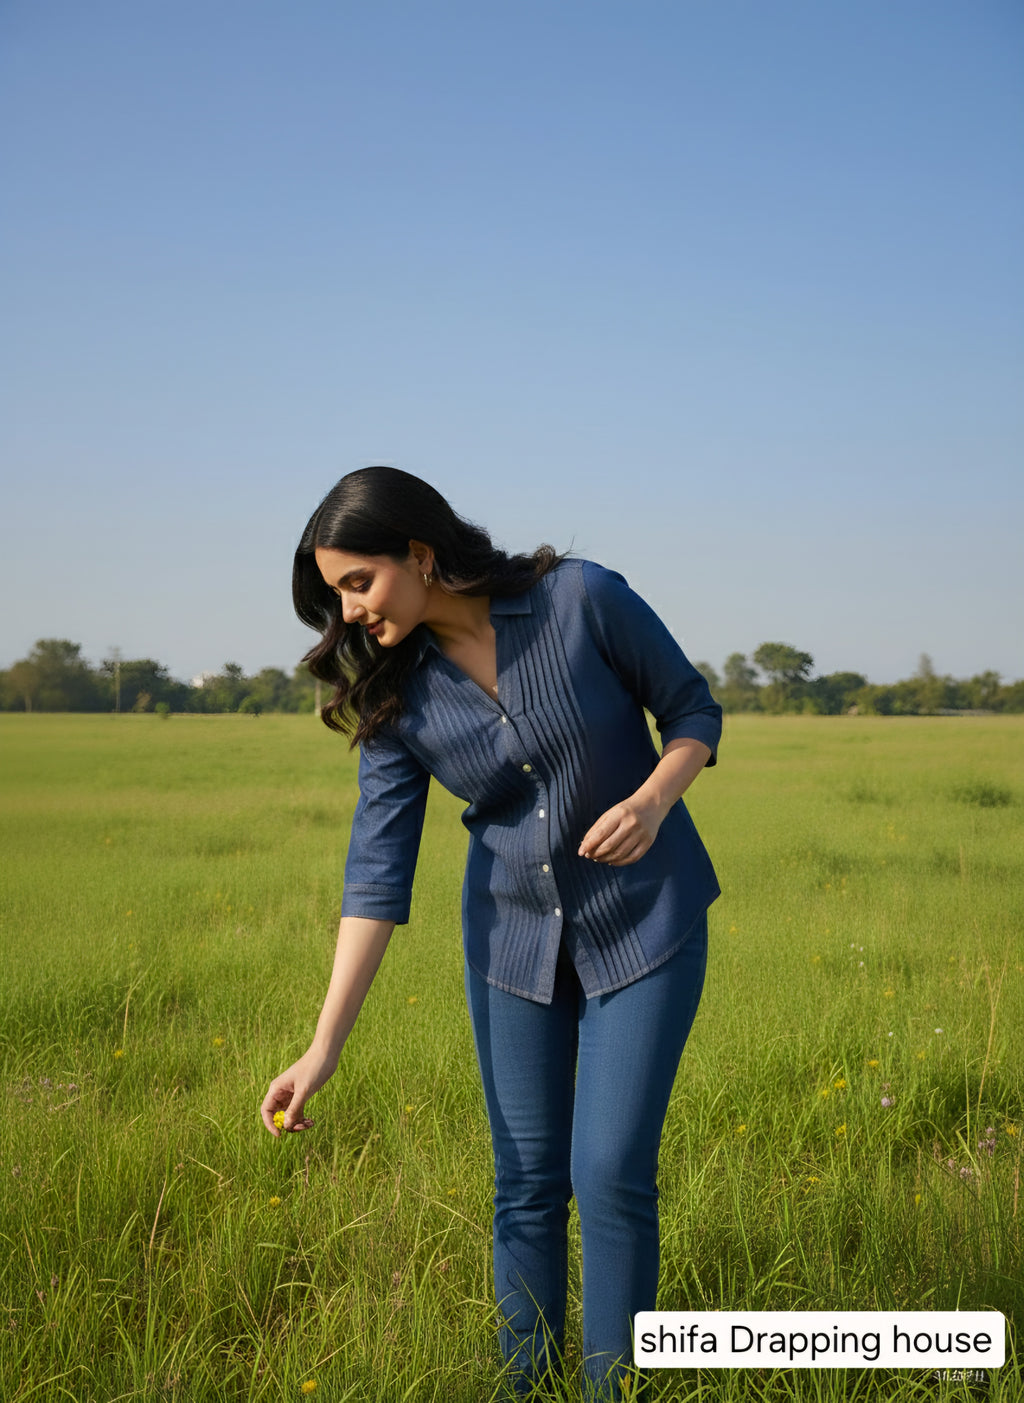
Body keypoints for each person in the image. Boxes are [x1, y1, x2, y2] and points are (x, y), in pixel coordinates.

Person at [260, 466, 721, 1400]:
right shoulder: (396, 695)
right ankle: (525, 1387)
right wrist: (323, 1045)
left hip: (645, 926)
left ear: (419, 552)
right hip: (513, 949)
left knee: (610, 1173)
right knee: (526, 1183)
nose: (349, 612)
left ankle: (614, 1390)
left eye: (359, 582)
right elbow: (377, 874)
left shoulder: (580, 599)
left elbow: (691, 709)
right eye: (336, 595)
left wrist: (652, 799)